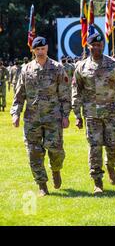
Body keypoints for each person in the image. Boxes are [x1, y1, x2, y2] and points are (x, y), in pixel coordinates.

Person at [10, 37, 71, 196]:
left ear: (47, 48)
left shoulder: (57, 68)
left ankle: (56, 170)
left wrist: (66, 115)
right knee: (33, 152)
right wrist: (16, 113)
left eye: (42, 48)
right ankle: (42, 185)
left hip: (53, 118)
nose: (40, 51)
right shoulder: (26, 70)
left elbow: (65, 94)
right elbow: (19, 94)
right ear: (33, 51)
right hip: (32, 119)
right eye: (37, 49)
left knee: (56, 151)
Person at [72, 32, 115, 194]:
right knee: (95, 147)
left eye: (99, 45)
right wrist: (77, 114)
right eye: (93, 45)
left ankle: (110, 165)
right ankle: (97, 181)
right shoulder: (81, 67)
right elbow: (76, 91)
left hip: (112, 114)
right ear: (88, 46)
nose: (96, 48)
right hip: (92, 115)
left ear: (103, 46)